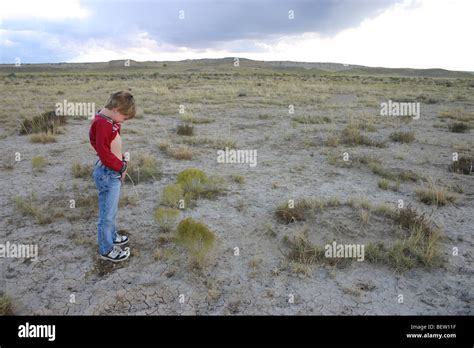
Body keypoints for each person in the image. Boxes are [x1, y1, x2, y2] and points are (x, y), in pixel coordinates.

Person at [89, 91, 136, 262]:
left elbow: (108, 142)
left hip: (111, 171)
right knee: (106, 215)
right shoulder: (103, 123)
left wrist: (120, 160)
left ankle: (112, 235)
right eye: (125, 116)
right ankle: (106, 248)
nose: (125, 120)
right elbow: (103, 152)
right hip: (108, 174)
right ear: (116, 109)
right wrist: (121, 166)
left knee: (112, 210)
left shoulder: (108, 119)